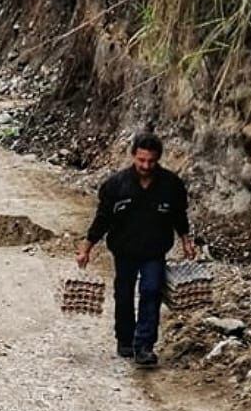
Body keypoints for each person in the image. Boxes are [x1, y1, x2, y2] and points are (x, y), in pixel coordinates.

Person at [76, 131, 195, 367]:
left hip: (155, 251)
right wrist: (86, 248)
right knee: (124, 293)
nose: (146, 166)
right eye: (141, 160)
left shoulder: (171, 185)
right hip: (124, 250)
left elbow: (179, 216)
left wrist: (186, 240)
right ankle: (125, 339)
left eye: (151, 161)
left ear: (158, 158)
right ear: (133, 156)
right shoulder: (115, 186)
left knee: (151, 291)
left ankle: (144, 346)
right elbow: (102, 219)